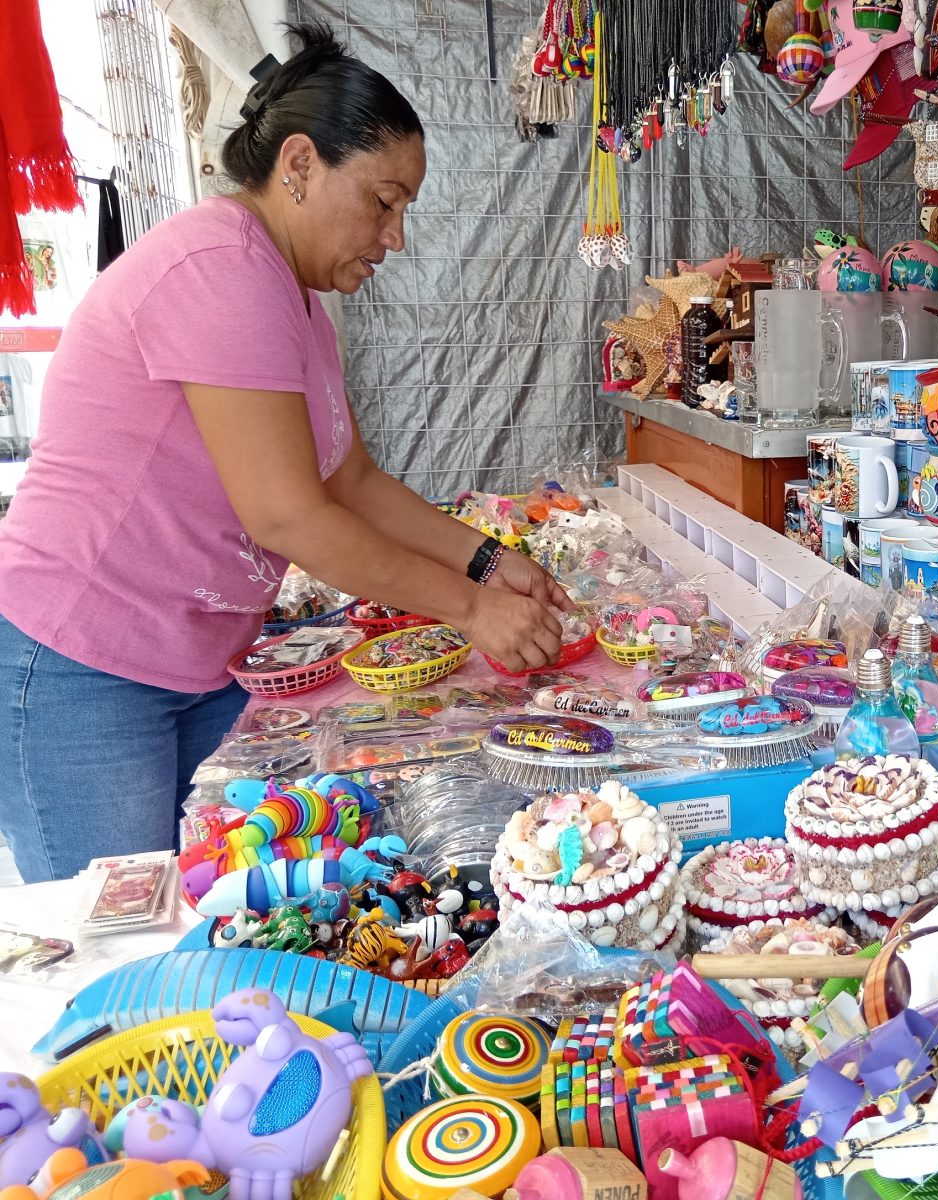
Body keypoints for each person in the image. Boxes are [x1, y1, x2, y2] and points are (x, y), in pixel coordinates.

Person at [0, 24, 570, 883]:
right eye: (384, 201)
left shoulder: (290, 296)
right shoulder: (219, 269)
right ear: (299, 164)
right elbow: (289, 514)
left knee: (201, 902)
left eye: (405, 208)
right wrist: (469, 608)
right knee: (118, 934)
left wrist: (489, 561)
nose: (396, 236)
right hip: (84, 661)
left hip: (192, 658)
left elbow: (353, 480)